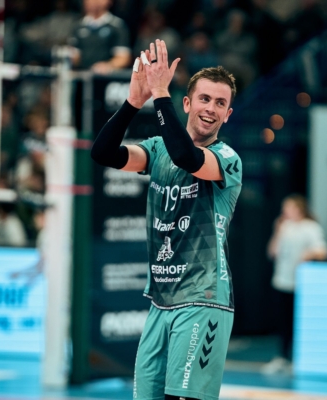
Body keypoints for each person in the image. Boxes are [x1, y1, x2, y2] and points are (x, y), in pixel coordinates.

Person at [91, 39, 242, 400]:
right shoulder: (158, 148)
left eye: (220, 103)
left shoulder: (227, 159)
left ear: (227, 114)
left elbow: (187, 157)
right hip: (161, 301)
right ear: (187, 103)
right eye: (204, 99)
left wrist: (160, 93)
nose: (211, 108)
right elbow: (103, 153)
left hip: (204, 299)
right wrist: (133, 102)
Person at [263, 194, 327, 374]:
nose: (285, 211)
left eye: (289, 207)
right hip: (282, 281)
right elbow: (272, 252)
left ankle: (299, 359)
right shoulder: (284, 226)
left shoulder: (310, 227)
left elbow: (322, 251)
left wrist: (309, 254)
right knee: (283, 322)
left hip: (301, 284)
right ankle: (282, 357)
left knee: (298, 322)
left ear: (299, 209)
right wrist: (277, 231)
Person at [69, 0, 132, 73]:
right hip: (82, 75)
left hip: (106, 76)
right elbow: (74, 56)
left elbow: (124, 58)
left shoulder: (117, 25)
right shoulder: (78, 26)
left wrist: (108, 65)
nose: (93, 1)